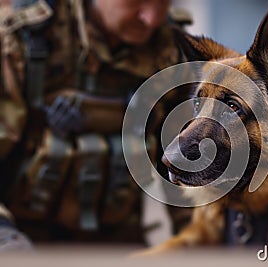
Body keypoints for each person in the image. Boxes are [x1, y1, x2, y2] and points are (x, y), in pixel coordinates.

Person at [0, 0, 192, 249]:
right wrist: (7, 239)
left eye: (163, 3)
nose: (151, 19)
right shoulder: (19, 43)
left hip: (117, 243)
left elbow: (190, 174)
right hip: (24, 241)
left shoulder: (170, 49)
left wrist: (200, 241)